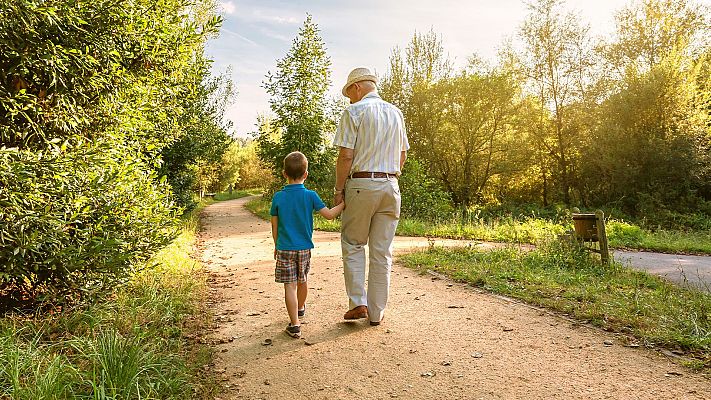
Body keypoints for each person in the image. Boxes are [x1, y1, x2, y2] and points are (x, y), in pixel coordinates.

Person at [332, 67, 409, 326]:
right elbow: (402, 155)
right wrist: (390, 176)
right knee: (382, 251)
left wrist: (338, 189)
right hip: (391, 185)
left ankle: (357, 303)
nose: (349, 99)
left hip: (361, 184)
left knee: (354, 244)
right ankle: (376, 313)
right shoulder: (396, 113)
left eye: (349, 94)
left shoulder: (354, 111)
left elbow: (345, 155)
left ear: (357, 88)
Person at [270, 151, 344, 338]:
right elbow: (329, 215)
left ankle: (294, 324)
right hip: (304, 248)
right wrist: (344, 204)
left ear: (284, 173)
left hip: (285, 248)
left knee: (290, 286)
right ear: (306, 174)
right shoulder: (310, 196)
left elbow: (274, 226)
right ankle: (300, 307)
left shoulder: (278, 197)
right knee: (302, 280)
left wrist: (276, 245)